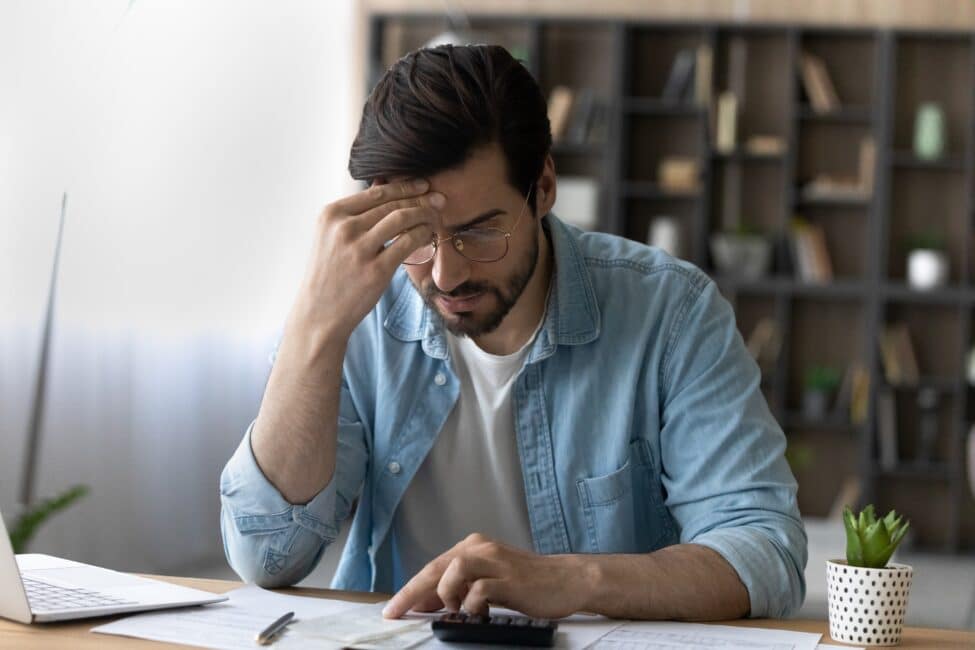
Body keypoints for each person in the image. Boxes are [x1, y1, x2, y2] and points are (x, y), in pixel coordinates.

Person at [220, 43, 806, 621]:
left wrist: (575, 580)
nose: (446, 275)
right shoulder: (356, 313)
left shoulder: (671, 312)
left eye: (479, 232)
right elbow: (267, 555)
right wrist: (314, 328)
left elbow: (764, 552)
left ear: (543, 186)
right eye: (418, 236)